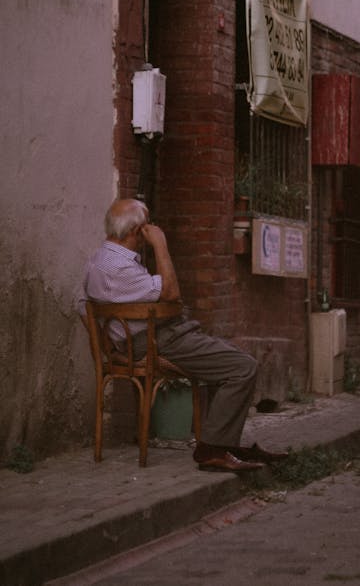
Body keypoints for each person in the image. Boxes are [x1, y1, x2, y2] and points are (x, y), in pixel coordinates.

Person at [79, 197, 281, 472]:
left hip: (157, 336)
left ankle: (222, 443)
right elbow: (172, 293)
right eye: (148, 224)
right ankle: (212, 450)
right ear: (137, 231)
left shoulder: (99, 260)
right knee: (243, 367)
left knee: (227, 360)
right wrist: (161, 244)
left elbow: (82, 306)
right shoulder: (119, 268)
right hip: (156, 340)